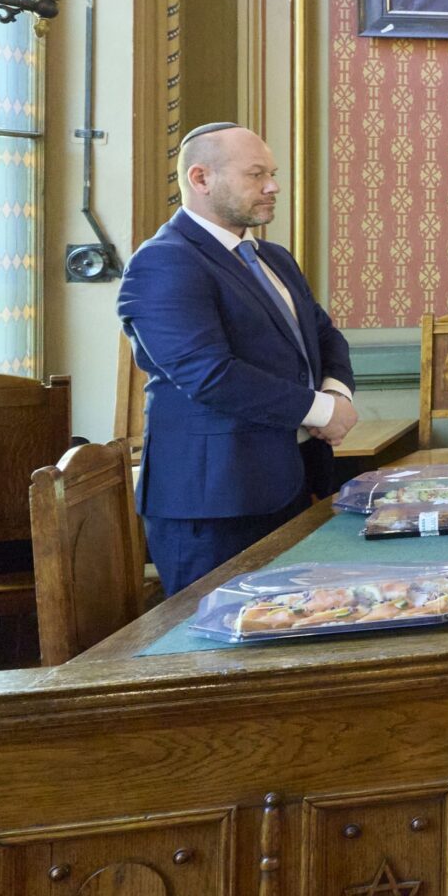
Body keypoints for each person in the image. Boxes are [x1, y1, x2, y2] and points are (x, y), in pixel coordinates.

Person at [116, 123, 360, 595]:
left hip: (291, 482)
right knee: (215, 636)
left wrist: (336, 393)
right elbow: (209, 375)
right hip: (214, 505)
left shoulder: (274, 257)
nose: (273, 187)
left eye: (272, 174)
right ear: (201, 178)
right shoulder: (163, 261)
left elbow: (325, 335)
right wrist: (320, 411)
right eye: (255, 174)